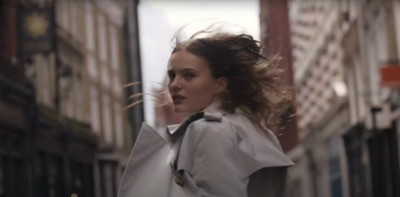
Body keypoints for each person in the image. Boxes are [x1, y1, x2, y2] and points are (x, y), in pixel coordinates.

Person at [118, 32, 294, 197]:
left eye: (189, 75)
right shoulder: (258, 130)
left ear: (220, 84)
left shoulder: (208, 130)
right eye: (172, 75)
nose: (175, 85)